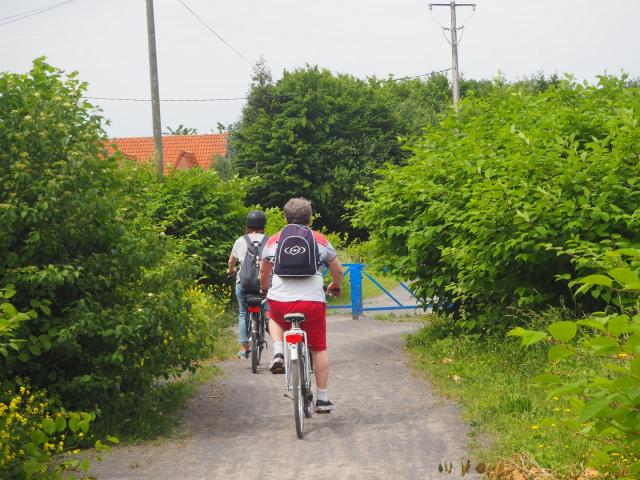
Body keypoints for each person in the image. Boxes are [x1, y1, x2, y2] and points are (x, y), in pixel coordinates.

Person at [260, 197, 343, 413]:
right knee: (318, 348)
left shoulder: (273, 241)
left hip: (280, 303)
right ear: (310, 218)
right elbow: (338, 270)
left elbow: (264, 271)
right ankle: (322, 399)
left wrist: (264, 287)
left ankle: (278, 351)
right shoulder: (319, 239)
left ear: (285, 217)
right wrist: (335, 285)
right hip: (312, 303)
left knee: (273, 317)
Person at [227, 210, 267, 359]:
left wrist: (231, 270)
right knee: (267, 300)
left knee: (243, 313)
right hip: (263, 284)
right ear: (263, 224)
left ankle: (244, 349)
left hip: (244, 283)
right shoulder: (269, 241)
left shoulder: (241, 240)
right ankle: (269, 320)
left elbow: (231, 261)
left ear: (248, 225)